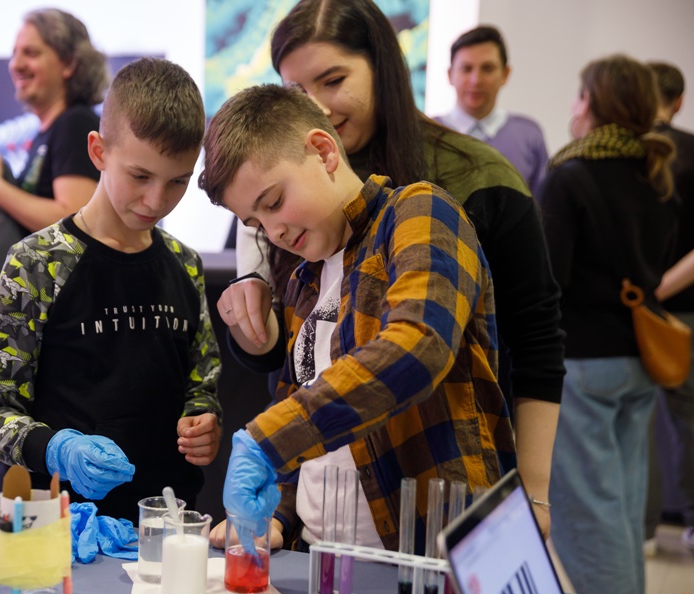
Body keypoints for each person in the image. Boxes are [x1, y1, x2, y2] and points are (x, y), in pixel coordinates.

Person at [229, 0, 564, 548]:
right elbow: (298, 363)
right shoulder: (299, 225)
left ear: (380, 67)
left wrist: (534, 490)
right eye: (296, 91)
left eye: (333, 80)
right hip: (332, 519)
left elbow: (494, 342)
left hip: (433, 499)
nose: (316, 105)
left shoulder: (450, 190)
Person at [201, 84, 509, 552]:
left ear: (323, 151)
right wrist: (278, 513)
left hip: (429, 554)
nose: (275, 230)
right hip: (322, 560)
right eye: (257, 223)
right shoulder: (305, 280)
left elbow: (420, 344)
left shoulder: (419, 211)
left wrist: (269, 439)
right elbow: (301, 401)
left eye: (275, 201)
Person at [0, 58, 222, 522]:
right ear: (99, 151)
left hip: (170, 520)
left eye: (178, 182)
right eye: (140, 176)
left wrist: (204, 420)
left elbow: (201, 381)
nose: (156, 201)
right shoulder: (38, 263)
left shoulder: (185, 265)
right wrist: (56, 449)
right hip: (66, 525)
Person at [541, 55, 677, 594]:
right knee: (621, 504)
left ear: (592, 104)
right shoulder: (655, 175)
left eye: (579, 96)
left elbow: (550, 281)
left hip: (584, 365)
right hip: (638, 359)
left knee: (589, 513)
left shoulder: (570, 176)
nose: (573, 107)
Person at [0, 8, 107, 369]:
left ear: (69, 64)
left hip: (58, 315)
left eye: (31, 53)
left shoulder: (75, 123)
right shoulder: (51, 129)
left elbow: (74, 217)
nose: (16, 64)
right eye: (15, 52)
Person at [645, 61, 694, 550]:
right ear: (678, 100)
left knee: (641, 423)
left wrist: (651, 291)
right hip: (676, 308)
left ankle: (643, 531)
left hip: (641, 309)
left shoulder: (626, 155)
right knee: (685, 419)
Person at [435, 25, 550, 196]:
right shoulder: (426, 133)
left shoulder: (529, 136)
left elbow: (542, 209)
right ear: (450, 75)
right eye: (466, 69)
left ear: (505, 74)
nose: (476, 80)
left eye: (487, 68)